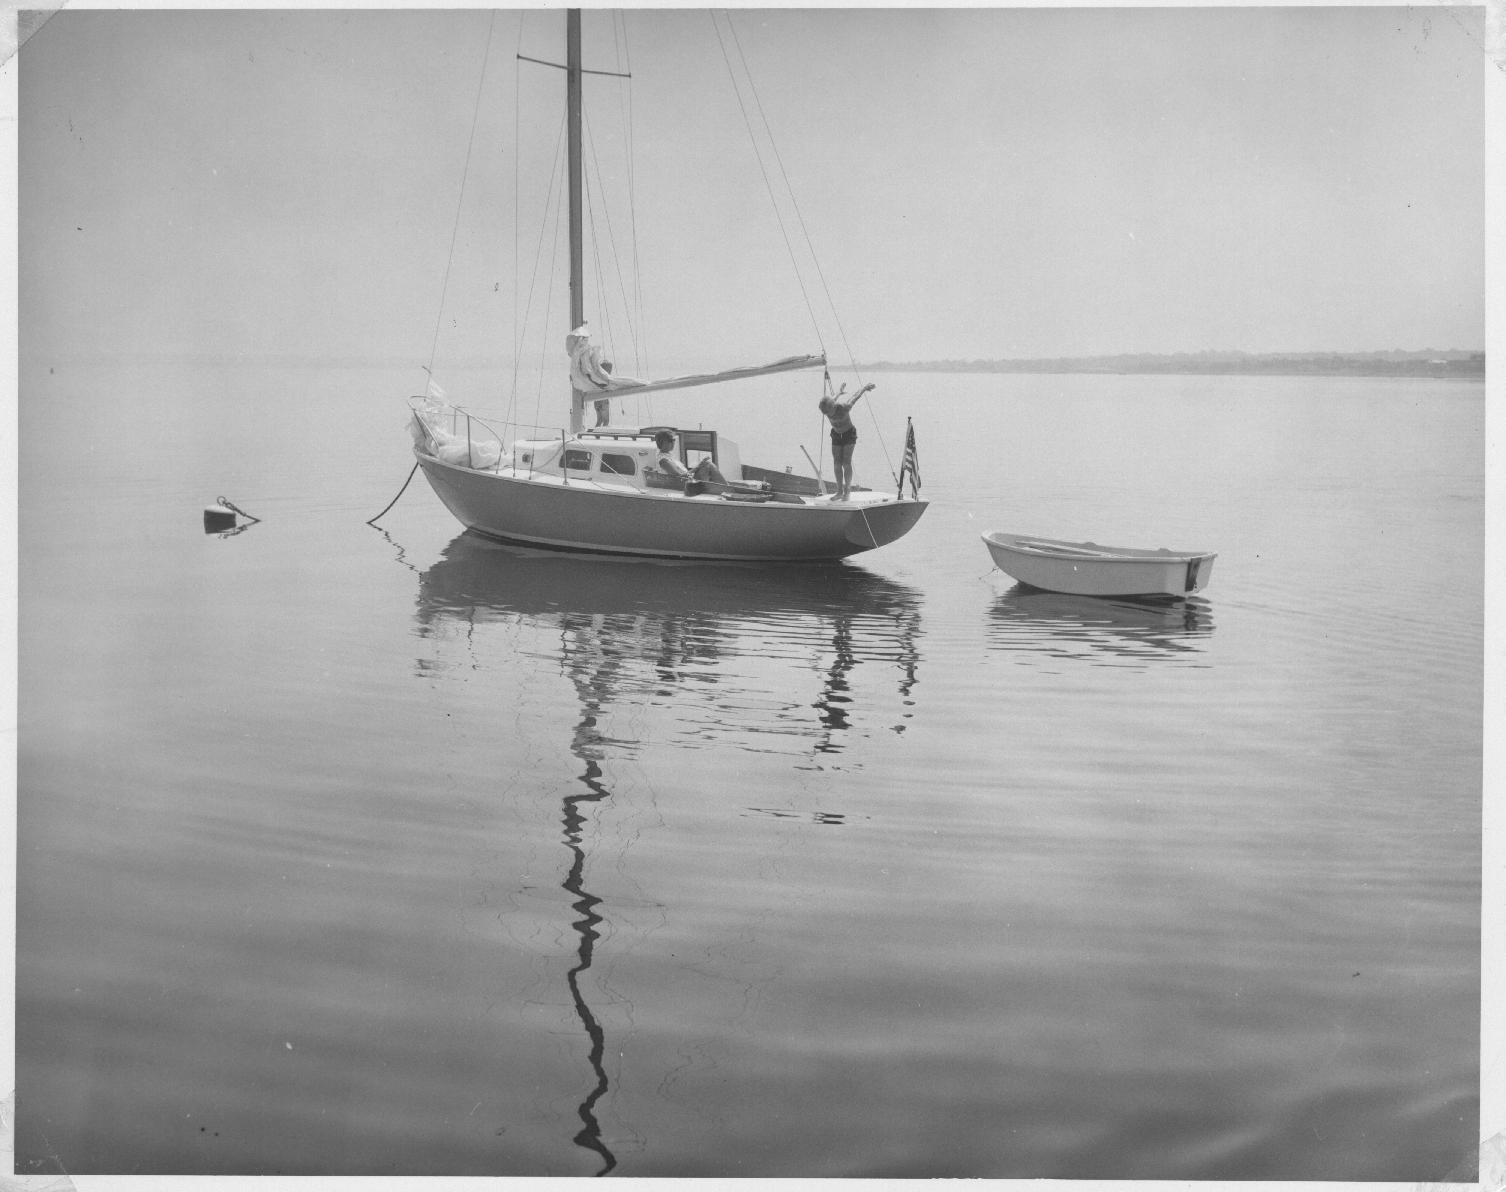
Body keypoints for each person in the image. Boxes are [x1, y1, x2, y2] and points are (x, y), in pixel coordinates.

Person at [818, 381, 875, 501]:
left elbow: (855, 397)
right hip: (836, 434)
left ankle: (847, 490)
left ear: (834, 406)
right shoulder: (827, 408)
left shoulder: (844, 407)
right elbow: (833, 398)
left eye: (829, 412)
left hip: (849, 433)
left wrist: (864, 388)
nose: (829, 415)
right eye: (826, 414)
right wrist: (839, 392)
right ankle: (839, 491)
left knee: (846, 462)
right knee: (837, 463)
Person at [654, 429, 725, 485]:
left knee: (707, 464)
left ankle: (725, 488)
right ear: (662, 442)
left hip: (688, 481)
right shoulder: (663, 460)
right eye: (670, 440)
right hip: (685, 485)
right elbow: (679, 477)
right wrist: (698, 467)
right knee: (707, 465)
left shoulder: (668, 455)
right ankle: (727, 488)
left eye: (674, 440)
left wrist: (699, 466)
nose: (673, 442)